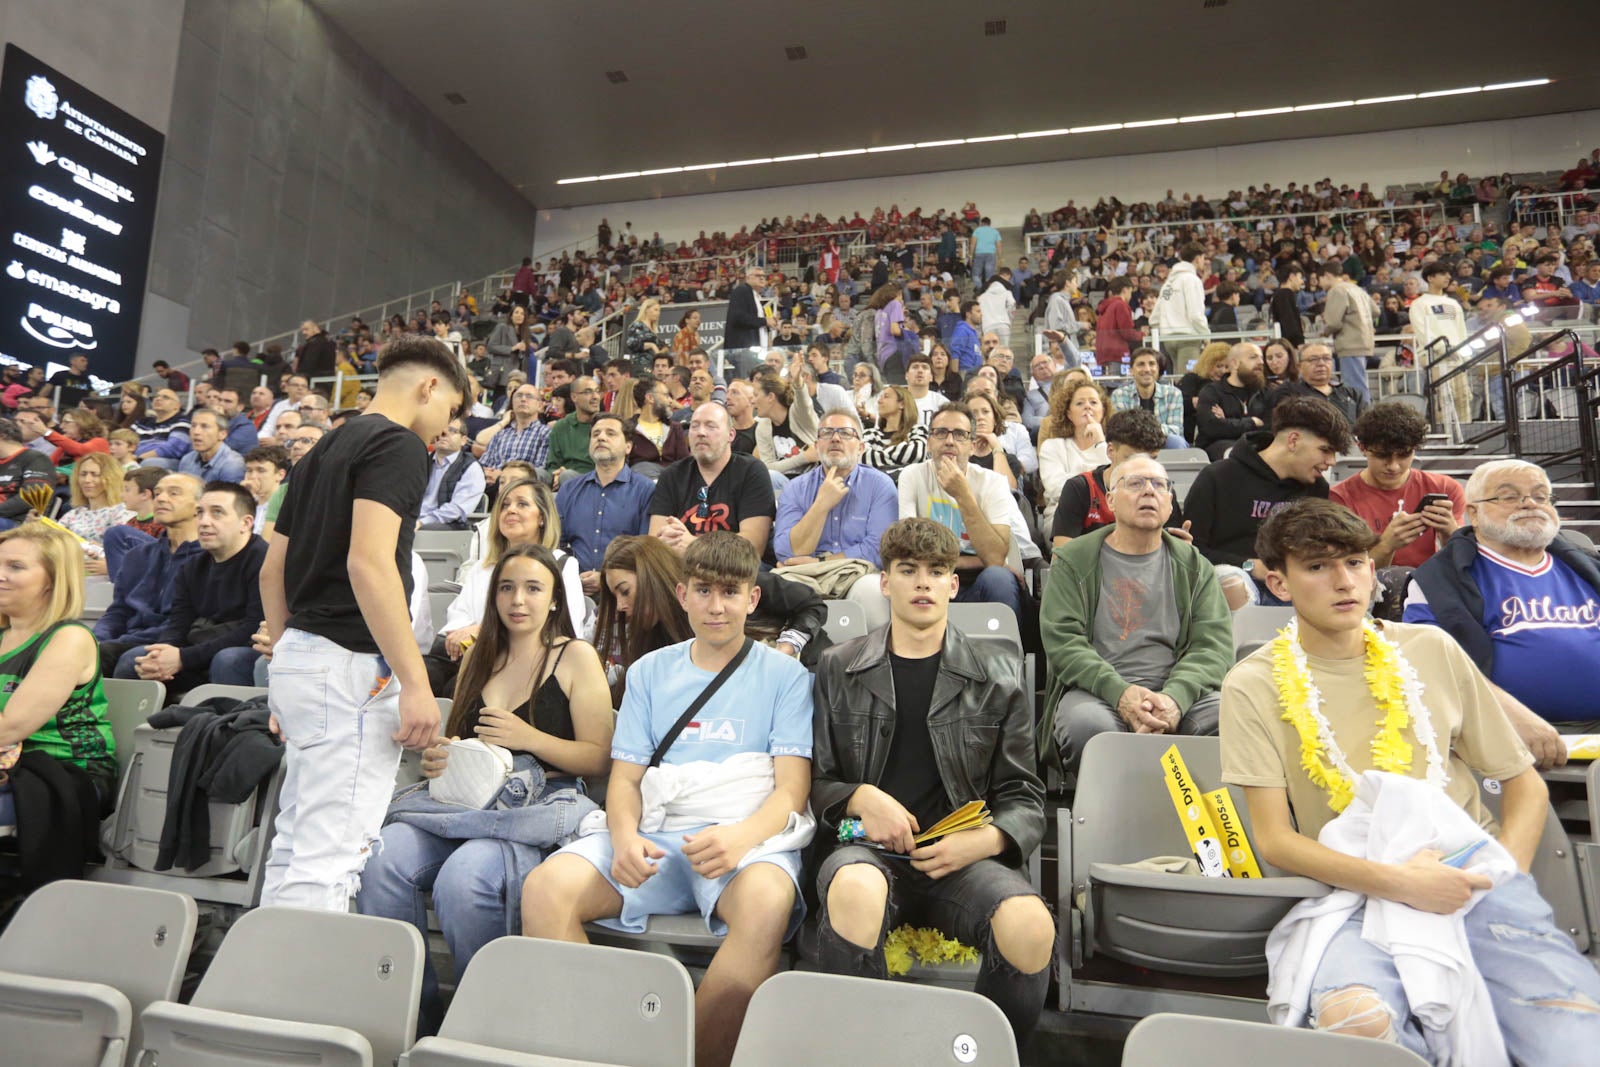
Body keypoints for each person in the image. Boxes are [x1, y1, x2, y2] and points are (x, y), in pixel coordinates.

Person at [1220, 499, 1600, 1063]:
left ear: (1374, 568)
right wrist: (1401, 883)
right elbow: (1275, 840)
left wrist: (1496, 879)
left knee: (1572, 1044)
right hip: (1350, 893)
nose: (1344, 581)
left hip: (1472, 883)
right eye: (1318, 567)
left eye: (1354, 562)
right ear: (1277, 580)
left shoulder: (1430, 648)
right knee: (1358, 1025)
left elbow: (1525, 786)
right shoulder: (1251, 683)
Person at [521, 533, 814, 1067]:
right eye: (703, 590)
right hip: (657, 832)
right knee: (546, 889)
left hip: (743, 837)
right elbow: (627, 780)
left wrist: (741, 836)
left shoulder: (787, 676)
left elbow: (791, 790)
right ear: (682, 595)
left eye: (730, 592)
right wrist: (626, 838)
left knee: (768, 902)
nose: (716, 606)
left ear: (753, 599)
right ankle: (601, 1050)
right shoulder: (650, 672)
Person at [811, 518, 1053, 1042]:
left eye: (936, 571)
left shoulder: (998, 676)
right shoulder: (838, 666)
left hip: (962, 863)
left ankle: (983, 1053)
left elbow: (1025, 794)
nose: (922, 582)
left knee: (1031, 925)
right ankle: (860, 1053)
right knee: (855, 887)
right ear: (885, 582)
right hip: (866, 850)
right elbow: (816, 783)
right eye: (908, 570)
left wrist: (980, 842)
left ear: (953, 584)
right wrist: (859, 798)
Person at [357, 544, 614, 1032]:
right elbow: (459, 744)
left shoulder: (575, 656)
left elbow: (600, 757)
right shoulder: (479, 659)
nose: (518, 599)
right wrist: (440, 758)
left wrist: (530, 739)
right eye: (507, 588)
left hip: (536, 808)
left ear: (556, 600)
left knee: (465, 878)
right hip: (467, 804)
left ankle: (492, 1020)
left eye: (533, 588)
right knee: (382, 857)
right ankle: (411, 1016)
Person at [259, 336, 469, 911]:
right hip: (349, 665)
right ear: (429, 386)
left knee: (295, 847)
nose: (442, 429)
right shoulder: (399, 445)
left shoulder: (321, 449)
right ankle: (291, 1001)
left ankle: (253, 991)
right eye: (449, 412)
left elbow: (271, 572)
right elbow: (370, 564)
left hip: (301, 653)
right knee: (331, 859)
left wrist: (284, 660)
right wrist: (418, 684)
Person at [1041, 455, 1231, 774]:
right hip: (1097, 692)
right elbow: (1064, 643)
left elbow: (1213, 646)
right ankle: (1107, 819)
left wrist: (1174, 698)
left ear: (1170, 504)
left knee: (1232, 718)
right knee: (1088, 727)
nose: (1149, 491)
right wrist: (1121, 694)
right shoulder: (1073, 561)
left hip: (1178, 688)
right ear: (1111, 500)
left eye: (1159, 484)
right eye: (1135, 483)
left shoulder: (1195, 565)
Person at [1404, 459, 1600, 752]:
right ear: (1474, 514)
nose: (1529, 504)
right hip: (1502, 737)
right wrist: (1504, 713)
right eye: (1509, 496)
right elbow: (1426, 663)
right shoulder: (1439, 579)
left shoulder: (1588, 569)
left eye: (1540, 496)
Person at [0, 523, 118, 858]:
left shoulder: (69, 639)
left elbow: (8, 727)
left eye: (15, 567)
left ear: (52, 579)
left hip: (63, 774)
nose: (1, 574)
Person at [1186, 396, 1350, 607]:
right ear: (1293, 441)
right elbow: (1192, 551)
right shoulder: (1218, 477)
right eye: (1325, 450)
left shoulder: (1316, 488)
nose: (1332, 462)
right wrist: (1250, 566)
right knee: (1231, 581)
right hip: (1234, 582)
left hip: (1294, 584)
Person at [429, 477, 586, 692]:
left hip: (530, 664)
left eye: (522, 504)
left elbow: (567, 629)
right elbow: (459, 616)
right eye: (504, 505)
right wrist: (464, 635)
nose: (511, 510)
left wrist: (483, 631)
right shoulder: (483, 568)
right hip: (473, 658)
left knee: (457, 688)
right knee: (425, 675)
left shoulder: (562, 565)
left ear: (542, 517)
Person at [113, 481, 267, 691]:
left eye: (217, 513)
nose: (204, 522)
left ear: (246, 523)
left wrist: (183, 658)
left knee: (229, 659)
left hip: (243, 652)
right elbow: (179, 623)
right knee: (136, 660)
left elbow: (252, 629)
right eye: (200, 513)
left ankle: (224, 723)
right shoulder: (193, 567)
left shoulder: (264, 562)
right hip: (201, 651)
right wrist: (163, 652)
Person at [897, 403, 1028, 618]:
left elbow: (994, 558)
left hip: (977, 580)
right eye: (940, 433)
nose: (949, 441)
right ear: (929, 443)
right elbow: (909, 549)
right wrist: (973, 560)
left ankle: (1004, 651)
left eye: (959, 434)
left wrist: (963, 495)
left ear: (973, 446)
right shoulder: (912, 476)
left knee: (999, 578)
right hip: (928, 577)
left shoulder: (993, 482)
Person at [1330, 403, 1464, 570]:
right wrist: (1386, 545)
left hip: (1431, 587)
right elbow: (1346, 573)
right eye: (1382, 455)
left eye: (1404, 455)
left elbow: (1463, 562)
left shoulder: (1444, 488)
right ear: (1362, 448)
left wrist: (1451, 533)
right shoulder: (1340, 498)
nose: (1393, 466)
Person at [94, 474, 205, 675]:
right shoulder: (137, 556)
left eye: (174, 493)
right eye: (158, 493)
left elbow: (187, 623)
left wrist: (115, 644)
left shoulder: (208, 559)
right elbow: (118, 610)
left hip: (172, 643)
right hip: (127, 639)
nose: (161, 498)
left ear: (199, 506)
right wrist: (96, 638)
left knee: (129, 659)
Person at [649, 402, 775, 559]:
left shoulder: (751, 472)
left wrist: (695, 546)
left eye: (711, 426)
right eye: (694, 426)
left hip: (734, 574)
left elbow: (753, 548)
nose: (701, 432)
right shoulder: (672, 475)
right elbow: (656, 542)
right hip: (681, 570)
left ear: (731, 435)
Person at [774, 409, 897, 567]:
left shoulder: (880, 486)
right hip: (804, 574)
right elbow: (785, 552)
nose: (836, 438)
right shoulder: (795, 488)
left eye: (846, 433)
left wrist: (821, 563)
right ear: (817, 447)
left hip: (858, 573)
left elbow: (879, 551)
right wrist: (821, 506)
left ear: (861, 447)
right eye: (826, 432)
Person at [1050, 409, 1187, 545]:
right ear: (1110, 451)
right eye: (1132, 459)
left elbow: (1170, 554)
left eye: (1151, 459)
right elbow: (1062, 560)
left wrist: (1181, 554)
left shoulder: (1163, 491)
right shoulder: (1080, 488)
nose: (1142, 468)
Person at [557, 413, 655, 592]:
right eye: (595, 434)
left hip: (627, 591)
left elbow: (645, 550)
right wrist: (571, 577)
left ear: (628, 447)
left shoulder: (645, 490)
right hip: (573, 589)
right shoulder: (569, 489)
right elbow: (556, 544)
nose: (601, 437)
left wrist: (606, 578)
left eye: (610, 433)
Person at [1407, 262, 1471, 429]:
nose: (1448, 277)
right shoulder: (1420, 304)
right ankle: (1444, 432)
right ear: (1430, 278)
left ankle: (1466, 430)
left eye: (1448, 274)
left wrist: (1465, 353)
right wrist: (1443, 348)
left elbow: (1461, 330)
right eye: (1443, 273)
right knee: (1443, 397)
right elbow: (1423, 332)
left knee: (1463, 396)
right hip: (1434, 357)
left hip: (1457, 356)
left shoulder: (1454, 303)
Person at [1039, 381, 1110, 527]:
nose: (1087, 406)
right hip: (1063, 513)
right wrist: (1096, 477)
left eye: (1093, 402)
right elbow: (1056, 489)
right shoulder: (1052, 446)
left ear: (1102, 411)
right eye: (1079, 403)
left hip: (1107, 512)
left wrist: (1100, 444)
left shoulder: (1113, 447)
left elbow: (1115, 484)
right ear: (1069, 414)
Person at [1195, 342, 1269, 460]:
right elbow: (1211, 427)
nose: (1261, 362)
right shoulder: (1212, 391)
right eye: (1253, 357)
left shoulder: (1265, 392)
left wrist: (1227, 422)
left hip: (1257, 444)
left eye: (1261, 357)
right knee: (1235, 452)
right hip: (1219, 448)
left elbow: (1270, 426)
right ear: (1234, 364)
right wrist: (1252, 422)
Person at [1318, 260, 1376, 407]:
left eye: (1320, 279)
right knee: (1360, 383)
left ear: (1327, 275)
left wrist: (1324, 332)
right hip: (1365, 341)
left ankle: (1363, 420)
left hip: (1350, 343)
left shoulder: (1336, 290)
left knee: (1354, 387)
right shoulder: (1357, 289)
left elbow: (1334, 322)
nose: (1319, 284)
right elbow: (1376, 311)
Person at [1270, 341, 1366, 427]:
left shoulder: (1352, 394)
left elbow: (1364, 427)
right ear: (1299, 366)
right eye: (1313, 359)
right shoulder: (1288, 392)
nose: (1321, 363)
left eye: (1326, 358)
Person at [1110, 347, 1185, 449]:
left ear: (1158, 369)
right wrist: (1153, 429)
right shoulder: (1119, 395)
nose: (1147, 369)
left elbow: (1176, 430)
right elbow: (1122, 430)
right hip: (1133, 444)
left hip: (1163, 442)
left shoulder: (1173, 393)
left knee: (1176, 441)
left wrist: (1144, 429)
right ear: (1131, 370)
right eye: (1141, 364)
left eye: (1152, 364)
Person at [480, 381, 552, 486]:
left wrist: (503, 477)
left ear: (540, 406)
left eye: (529, 396)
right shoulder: (500, 435)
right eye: (518, 396)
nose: (523, 399)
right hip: (490, 486)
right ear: (512, 404)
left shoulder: (545, 434)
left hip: (524, 487)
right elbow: (484, 463)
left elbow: (539, 470)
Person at [1150, 243, 1209, 369]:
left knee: (1178, 379)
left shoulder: (1169, 283)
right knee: (1188, 381)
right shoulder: (1192, 280)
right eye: (1203, 258)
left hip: (1168, 339)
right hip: (1187, 338)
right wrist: (1207, 336)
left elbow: (1155, 317)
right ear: (1198, 258)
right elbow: (1195, 314)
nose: (1204, 262)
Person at [419, 417, 486, 530]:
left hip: (447, 526)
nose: (444, 433)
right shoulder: (422, 460)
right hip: (413, 520)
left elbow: (457, 510)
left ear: (463, 440)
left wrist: (421, 522)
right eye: (441, 429)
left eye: (452, 430)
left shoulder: (471, 468)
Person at [753, 372, 818, 482]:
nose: (752, 401)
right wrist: (804, 458)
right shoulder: (763, 427)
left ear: (770, 397)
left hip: (814, 477)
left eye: (756, 395)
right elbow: (767, 468)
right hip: (784, 483)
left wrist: (798, 381)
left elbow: (804, 402)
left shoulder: (799, 414)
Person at [59, 452, 133, 548]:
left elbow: (121, 550)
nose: (87, 480)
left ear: (111, 478)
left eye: (95, 475)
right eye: (83, 474)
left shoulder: (122, 512)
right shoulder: (75, 513)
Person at [545, 376, 602, 483]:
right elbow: (553, 464)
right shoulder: (561, 427)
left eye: (597, 391)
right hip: (563, 478)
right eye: (588, 392)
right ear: (574, 397)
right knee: (538, 474)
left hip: (594, 480)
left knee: (567, 475)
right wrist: (556, 473)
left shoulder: (606, 425)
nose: (596, 397)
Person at [861, 386, 927, 475]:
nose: (879, 401)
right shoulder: (869, 434)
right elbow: (862, 457)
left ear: (902, 404)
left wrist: (877, 459)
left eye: (886, 396)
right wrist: (902, 465)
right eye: (880, 397)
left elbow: (915, 454)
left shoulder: (919, 430)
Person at [724, 264, 775, 379]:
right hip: (744, 351)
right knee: (746, 384)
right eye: (758, 275)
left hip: (756, 352)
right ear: (748, 278)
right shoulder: (742, 291)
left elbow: (757, 323)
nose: (762, 278)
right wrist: (764, 321)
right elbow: (738, 317)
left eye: (763, 276)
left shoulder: (756, 297)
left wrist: (769, 324)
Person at [628, 378, 689, 475]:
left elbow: (685, 464)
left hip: (670, 482)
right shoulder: (628, 429)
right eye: (666, 395)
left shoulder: (675, 428)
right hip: (642, 482)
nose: (670, 401)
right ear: (650, 398)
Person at [1177, 341, 1230, 445]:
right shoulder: (1191, 379)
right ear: (1207, 364)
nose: (1223, 371)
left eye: (1227, 367)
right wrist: (1196, 403)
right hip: (1191, 434)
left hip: (1221, 436)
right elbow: (1177, 402)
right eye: (1219, 366)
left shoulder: (1231, 386)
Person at [175, 408, 246, 484]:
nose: (196, 432)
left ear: (222, 434)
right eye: (193, 426)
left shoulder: (233, 464)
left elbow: (227, 495)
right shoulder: (187, 460)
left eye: (204, 426)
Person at [1093, 276, 1142, 372]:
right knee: (1118, 385)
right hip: (1117, 354)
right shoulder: (1121, 305)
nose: (1131, 296)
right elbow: (1127, 333)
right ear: (1125, 290)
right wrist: (1142, 334)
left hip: (1103, 354)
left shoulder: (1105, 307)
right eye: (1130, 292)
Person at [241, 445, 289, 534]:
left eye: (261, 470)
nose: (253, 476)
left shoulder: (286, 505)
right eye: (249, 470)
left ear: (280, 475)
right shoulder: (243, 501)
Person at [977, 269, 1017, 351]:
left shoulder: (982, 297)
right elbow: (1012, 304)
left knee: (990, 352)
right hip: (1003, 325)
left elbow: (979, 313)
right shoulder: (1007, 293)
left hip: (988, 326)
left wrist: (980, 329)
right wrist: (1009, 318)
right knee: (1004, 350)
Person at [970, 216, 1002, 289]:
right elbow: (999, 245)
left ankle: (980, 289)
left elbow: (972, 244)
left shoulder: (977, 230)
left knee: (976, 275)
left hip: (979, 254)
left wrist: (970, 256)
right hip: (991, 254)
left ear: (982, 223)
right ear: (989, 224)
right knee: (989, 276)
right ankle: (987, 290)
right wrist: (1000, 258)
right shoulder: (995, 231)